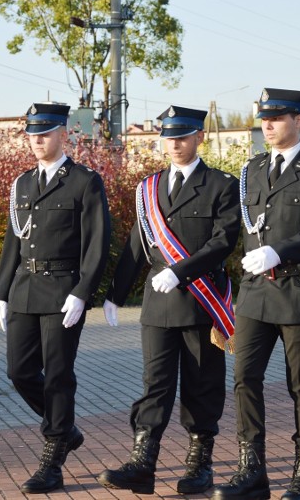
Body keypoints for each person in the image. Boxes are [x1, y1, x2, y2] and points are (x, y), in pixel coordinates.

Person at [97, 106, 240, 495]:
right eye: (169, 137)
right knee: (154, 385)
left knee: (202, 385)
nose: (175, 143)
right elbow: (136, 245)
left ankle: (200, 465)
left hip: (200, 302)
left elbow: (223, 242)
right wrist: (115, 294)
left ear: (199, 138)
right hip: (157, 307)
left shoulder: (221, 185)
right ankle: (142, 464)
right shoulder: (150, 187)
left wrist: (180, 271)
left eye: (182, 136)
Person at [214, 88, 300, 500]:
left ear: (299, 121)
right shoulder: (252, 169)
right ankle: (252, 471)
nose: (268, 125)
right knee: (243, 379)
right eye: (264, 119)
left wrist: (278, 252)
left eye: (278, 117)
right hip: (254, 296)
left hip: (298, 290)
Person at [0, 102, 111, 494]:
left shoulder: (83, 181)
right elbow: (14, 240)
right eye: (32, 133)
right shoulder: (22, 183)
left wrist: (83, 292)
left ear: (64, 134)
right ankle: (65, 429)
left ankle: (53, 456)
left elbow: (98, 244)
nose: (38, 140)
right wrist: (1, 294)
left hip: (63, 292)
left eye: (45, 132)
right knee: (19, 372)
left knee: (58, 376)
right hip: (25, 289)